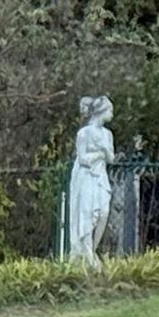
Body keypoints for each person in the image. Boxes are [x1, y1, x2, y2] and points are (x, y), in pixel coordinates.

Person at [66, 95, 115, 268]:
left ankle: (92, 250)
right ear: (101, 112)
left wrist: (104, 151)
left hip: (100, 177)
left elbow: (111, 158)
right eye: (110, 110)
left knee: (103, 212)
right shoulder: (84, 133)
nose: (112, 115)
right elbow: (82, 159)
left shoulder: (107, 134)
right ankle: (87, 254)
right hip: (85, 177)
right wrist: (100, 154)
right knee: (86, 215)